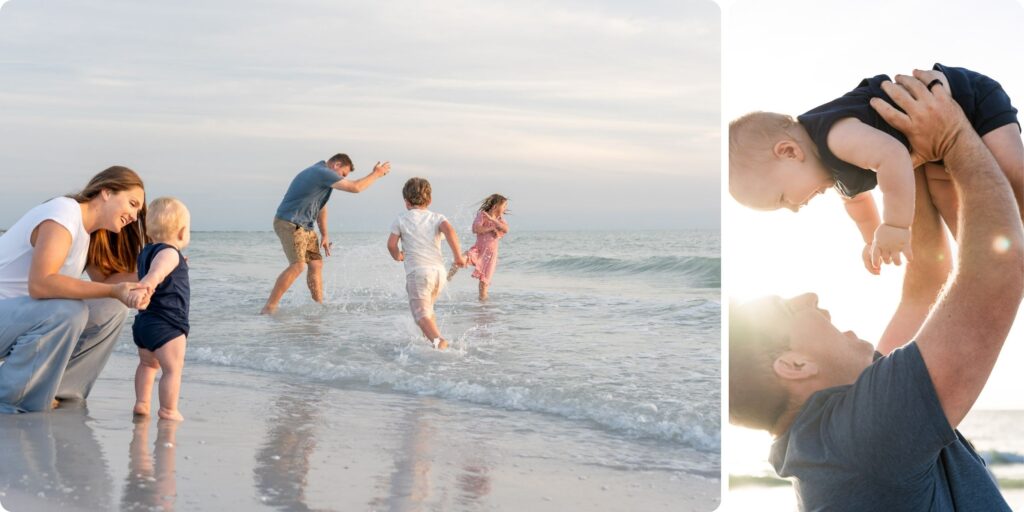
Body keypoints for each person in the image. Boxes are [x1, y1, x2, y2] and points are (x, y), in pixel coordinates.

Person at [729, 70, 1024, 510]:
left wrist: (911, 165)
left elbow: (926, 285)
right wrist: (952, 137)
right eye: (790, 309)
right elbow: (998, 271)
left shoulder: (826, 442)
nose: (810, 298)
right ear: (794, 364)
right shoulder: (866, 436)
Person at [729, 63, 1022, 274]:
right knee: (959, 215)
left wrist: (895, 225)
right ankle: (1000, 262)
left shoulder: (834, 136)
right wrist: (873, 241)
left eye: (782, 198)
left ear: (789, 152)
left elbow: (892, 156)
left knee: (1013, 173)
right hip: (936, 150)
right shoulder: (833, 171)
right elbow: (857, 203)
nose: (793, 208)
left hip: (965, 97)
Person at [0, 166, 151, 413]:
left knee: (112, 308)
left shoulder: (88, 234)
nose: (135, 217)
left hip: (15, 322)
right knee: (69, 311)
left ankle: (54, 389)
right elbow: (41, 284)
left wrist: (155, 269)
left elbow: (107, 285)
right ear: (106, 192)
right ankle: (9, 396)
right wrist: (114, 291)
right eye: (132, 204)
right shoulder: (63, 213)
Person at [261, 154, 391, 314]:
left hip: (305, 227)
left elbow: (321, 207)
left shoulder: (322, 177)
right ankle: (269, 307)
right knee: (298, 265)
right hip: (290, 222)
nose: (343, 178)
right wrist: (376, 174)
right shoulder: (321, 172)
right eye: (343, 174)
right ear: (336, 165)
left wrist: (324, 234)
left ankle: (318, 307)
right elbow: (355, 187)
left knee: (316, 264)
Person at [387, 178, 466, 350]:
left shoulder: (401, 219)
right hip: (438, 273)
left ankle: (439, 342)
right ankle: (430, 343)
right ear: (429, 200)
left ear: (406, 202)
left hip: (418, 274)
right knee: (427, 310)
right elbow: (450, 231)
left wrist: (398, 256)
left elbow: (391, 245)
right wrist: (458, 256)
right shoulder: (437, 217)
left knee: (420, 315)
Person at [130, 197, 191, 421]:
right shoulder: (170, 253)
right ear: (182, 232)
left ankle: (142, 403)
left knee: (147, 364)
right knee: (173, 369)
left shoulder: (147, 252)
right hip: (168, 324)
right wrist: (147, 285)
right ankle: (168, 410)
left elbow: (159, 269)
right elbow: (156, 274)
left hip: (145, 323)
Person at [447, 194, 509, 301]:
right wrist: (490, 228)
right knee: (460, 259)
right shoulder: (482, 215)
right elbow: (475, 229)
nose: (505, 209)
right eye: (504, 206)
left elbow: (506, 229)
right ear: (495, 206)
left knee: (483, 285)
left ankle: (482, 308)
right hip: (478, 250)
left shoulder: (500, 220)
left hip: (490, 257)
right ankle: (447, 278)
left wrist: (493, 220)